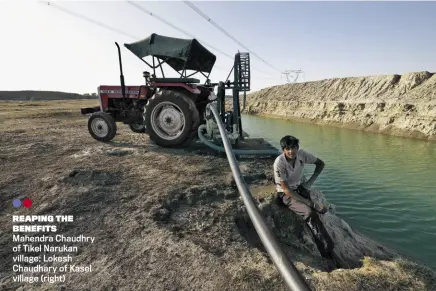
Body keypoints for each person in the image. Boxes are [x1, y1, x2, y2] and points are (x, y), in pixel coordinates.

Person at [273, 135, 337, 266]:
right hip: (285, 194)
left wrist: (308, 184)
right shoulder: (279, 163)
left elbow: (320, 164)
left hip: (298, 188)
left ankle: (328, 245)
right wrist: (312, 203)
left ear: (298, 147)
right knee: (309, 212)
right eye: (288, 148)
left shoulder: (302, 155)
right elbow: (286, 191)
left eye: (294, 147)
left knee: (319, 212)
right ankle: (324, 250)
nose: (291, 151)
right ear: (283, 150)